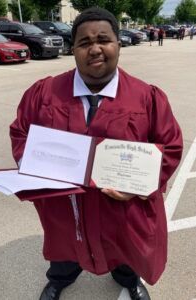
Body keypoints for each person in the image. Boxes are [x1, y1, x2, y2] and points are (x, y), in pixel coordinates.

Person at [10, 7, 183, 300]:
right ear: (73, 48)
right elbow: (21, 133)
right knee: (63, 246)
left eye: (104, 39)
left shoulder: (146, 97)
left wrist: (138, 185)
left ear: (118, 43)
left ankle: (128, 278)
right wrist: (33, 166)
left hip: (118, 206)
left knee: (123, 247)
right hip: (65, 204)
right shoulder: (45, 93)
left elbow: (171, 147)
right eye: (85, 42)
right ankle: (59, 279)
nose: (95, 49)